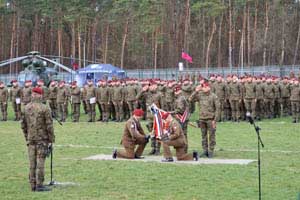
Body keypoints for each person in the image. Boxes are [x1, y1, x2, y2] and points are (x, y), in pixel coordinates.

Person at [20, 87, 55, 192]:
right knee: (40, 162)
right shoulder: (45, 108)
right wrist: (51, 140)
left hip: (31, 139)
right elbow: (49, 126)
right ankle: (39, 184)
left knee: (32, 163)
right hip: (42, 140)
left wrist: (27, 137)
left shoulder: (26, 108)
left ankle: (32, 183)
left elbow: (23, 125)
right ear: (40, 95)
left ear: (32, 95)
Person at [189, 82, 220, 158]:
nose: (204, 88)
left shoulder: (213, 96)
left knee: (212, 136)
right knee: (203, 136)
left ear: (209, 87)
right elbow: (190, 99)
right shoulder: (200, 95)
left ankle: (211, 151)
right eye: (203, 87)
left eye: (205, 87)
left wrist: (215, 120)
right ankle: (205, 150)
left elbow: (218, 109)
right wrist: (196, 91)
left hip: (210, 119)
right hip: (202, 119)